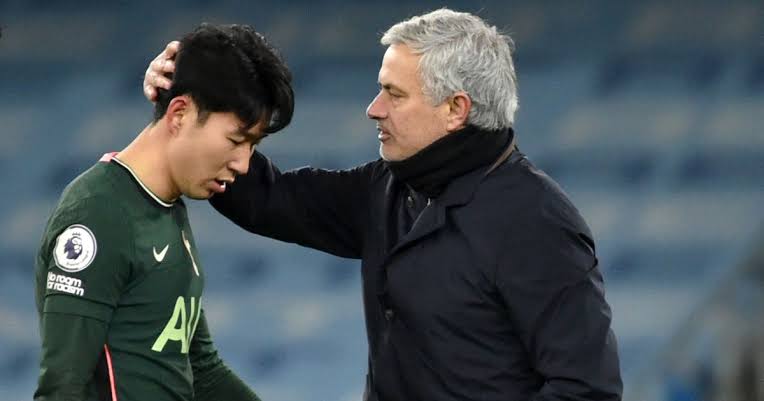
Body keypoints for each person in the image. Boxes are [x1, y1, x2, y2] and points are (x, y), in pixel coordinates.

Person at [144, 8, 622, 401]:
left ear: (456, 109)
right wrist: (183, 95)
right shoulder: (389, 187)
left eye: (394, 93)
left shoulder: (536, 222)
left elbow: (587, 390)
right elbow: (266, 198)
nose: (374, 108)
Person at [35, 23, 294, 401]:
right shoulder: (98, 214)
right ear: (179, 114)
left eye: (253, 146)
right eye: (237, 140)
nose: (243, 163)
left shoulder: (164, 207)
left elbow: (200, 370)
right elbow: (61, 388)